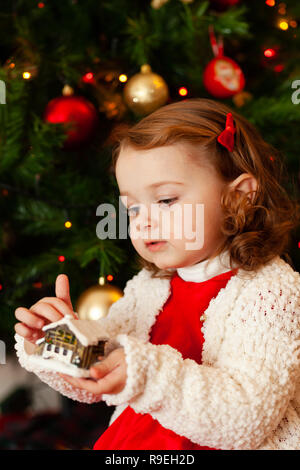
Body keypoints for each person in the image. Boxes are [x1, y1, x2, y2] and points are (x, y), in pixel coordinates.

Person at [14, 98, 300, 450]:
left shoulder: (271, 292)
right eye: (132, 207)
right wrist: (56, 339)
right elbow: (102, 367)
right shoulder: (150, 288)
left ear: (238, 198)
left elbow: (249, 416)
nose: (143, 220)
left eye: (165, 200)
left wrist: (144, 372)